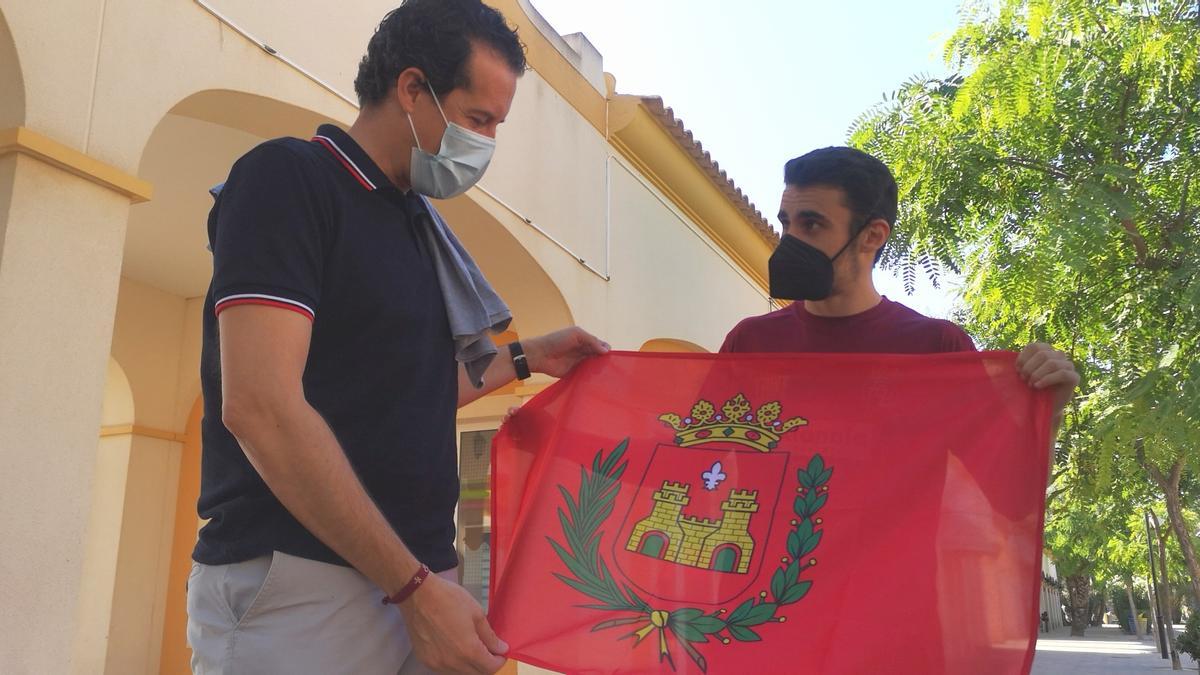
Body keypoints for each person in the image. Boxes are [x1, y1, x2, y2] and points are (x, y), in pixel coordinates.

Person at [185, 2, 608, 673]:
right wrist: (411, 587)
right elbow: (259, 406)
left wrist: (529, 356)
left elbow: (409, 391)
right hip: (306, 587)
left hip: (414, 578)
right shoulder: (290, 178)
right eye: (478, 120)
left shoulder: (416, 225)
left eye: (498, 125)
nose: (489, 144)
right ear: (412, 89)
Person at [721, 147, 1078, 426]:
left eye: (811, 225)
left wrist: (1050, 412)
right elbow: (700, 467)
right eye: (788, 223)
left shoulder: (938, 349)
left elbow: (1001, 500)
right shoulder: (748, 343)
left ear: (872, 236)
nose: (790, 240)